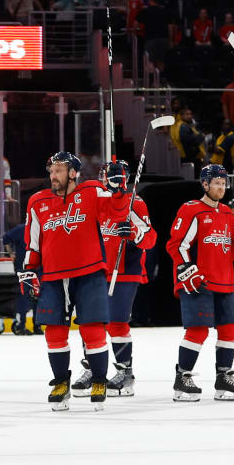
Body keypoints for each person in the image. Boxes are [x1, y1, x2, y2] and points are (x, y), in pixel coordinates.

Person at [21, 151, 112, 410]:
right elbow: (33, 241)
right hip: (53, 275)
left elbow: (116, 208)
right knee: (54, 332)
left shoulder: (92, 191)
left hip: (89, 271)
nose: (53, 176)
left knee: (93, 329)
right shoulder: (37, 201)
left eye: (58, 170)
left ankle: (98, 380)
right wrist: (28, 269)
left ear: (73, 172)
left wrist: (116, 187)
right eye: (51, 171)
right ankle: (61, 382)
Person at [165, 164, 234, 402]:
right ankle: (182, 378)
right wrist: (187, 270)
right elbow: (176, 244)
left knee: (230, 328)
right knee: (198, 330)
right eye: (217, 183)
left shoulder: (226, 214)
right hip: (198, 281)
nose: (221, 188)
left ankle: (223, 378)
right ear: (205, 184)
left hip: (224, 281)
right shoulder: (191, 209)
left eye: (224, 184)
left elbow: (232, 253)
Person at [77, 159, 154, 398]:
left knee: (117, 322)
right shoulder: (95, 201)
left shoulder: (135, 202)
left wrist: (134, 233)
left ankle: (124, 373)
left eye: (116, 176)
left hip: (125, 270)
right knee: (90, 322)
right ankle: (93, 368)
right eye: (106, 175)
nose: (110, 180)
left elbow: (150, 238)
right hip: (95, 269)